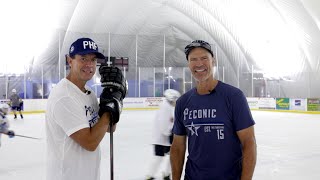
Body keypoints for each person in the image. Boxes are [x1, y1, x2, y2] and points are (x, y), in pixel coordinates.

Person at [170, 40, 257, 180]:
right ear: (189, 64)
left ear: (213, 61)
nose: (199, 64)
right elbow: (178, 146)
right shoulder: (183, 102)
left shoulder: (233, 96)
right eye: (193, 59)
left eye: (204, 58)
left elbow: (249, 142)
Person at [46, 37, 126, 180]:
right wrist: (109, 108)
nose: (89, 65)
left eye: (93, 60)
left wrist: (116, 98)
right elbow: (90, 142)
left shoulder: (88, 93)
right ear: (70, 60)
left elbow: (109, 128)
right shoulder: (64, 96)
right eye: (83, 58)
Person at [146, 89, 181, 180]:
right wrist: (170, 133)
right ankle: (150, 175)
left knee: (172, 156)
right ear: (171, 98)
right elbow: (164, 126)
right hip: (161, 139)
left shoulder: (168, 106)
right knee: (159, 157)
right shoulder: (165, 107)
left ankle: (166, 174)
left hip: (166, 138)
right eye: (175, 100)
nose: (176, 102)